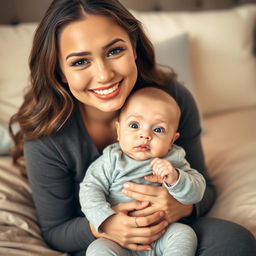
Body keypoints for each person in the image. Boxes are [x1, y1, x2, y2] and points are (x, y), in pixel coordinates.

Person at [9, 0, 256, 256]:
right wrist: (105, 227)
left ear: (134, 47)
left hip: (169, 229)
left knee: (234, 240)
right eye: (80, 62)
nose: (104, 75)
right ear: (60, 72)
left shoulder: (171, 100)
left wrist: (182, 207)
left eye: (114, 51)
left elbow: (204, 188)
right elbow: (56, 231)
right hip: (104, 240)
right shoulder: (46, 137)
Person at [80, 87, 206, 256]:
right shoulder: (112, 159)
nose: (145, 135)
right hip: (118, 240)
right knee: (97, 250)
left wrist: (176, 179)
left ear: (171, 140)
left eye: (158, 129)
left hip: (162, 233)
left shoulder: (173, 160)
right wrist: (106, 220)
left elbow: (197, 192)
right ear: (118, 131)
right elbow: (89, 188)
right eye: (134, 125)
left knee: (184, 234)